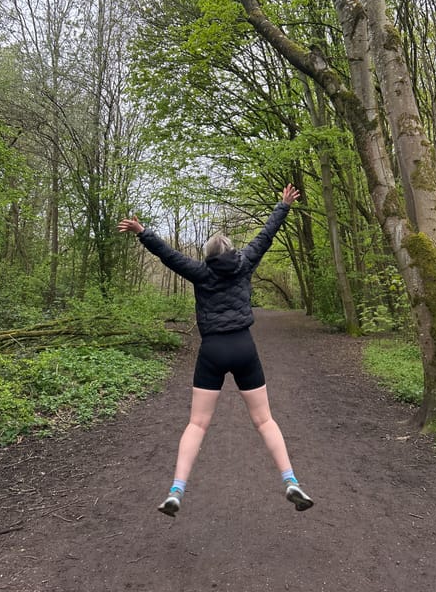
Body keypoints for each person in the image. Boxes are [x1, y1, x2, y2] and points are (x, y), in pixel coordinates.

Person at [117, 185, 314, 517]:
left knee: (197, 424)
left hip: (212, 350)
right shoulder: (245, 262)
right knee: (265, 420)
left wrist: (142, 232)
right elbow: (266, 235)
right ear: (233, 251)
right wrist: (283, 205)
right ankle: (290, 479)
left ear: (207, 255)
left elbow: (168, 254)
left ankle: (177, 489)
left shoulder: (199, 272)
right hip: (243, 346)